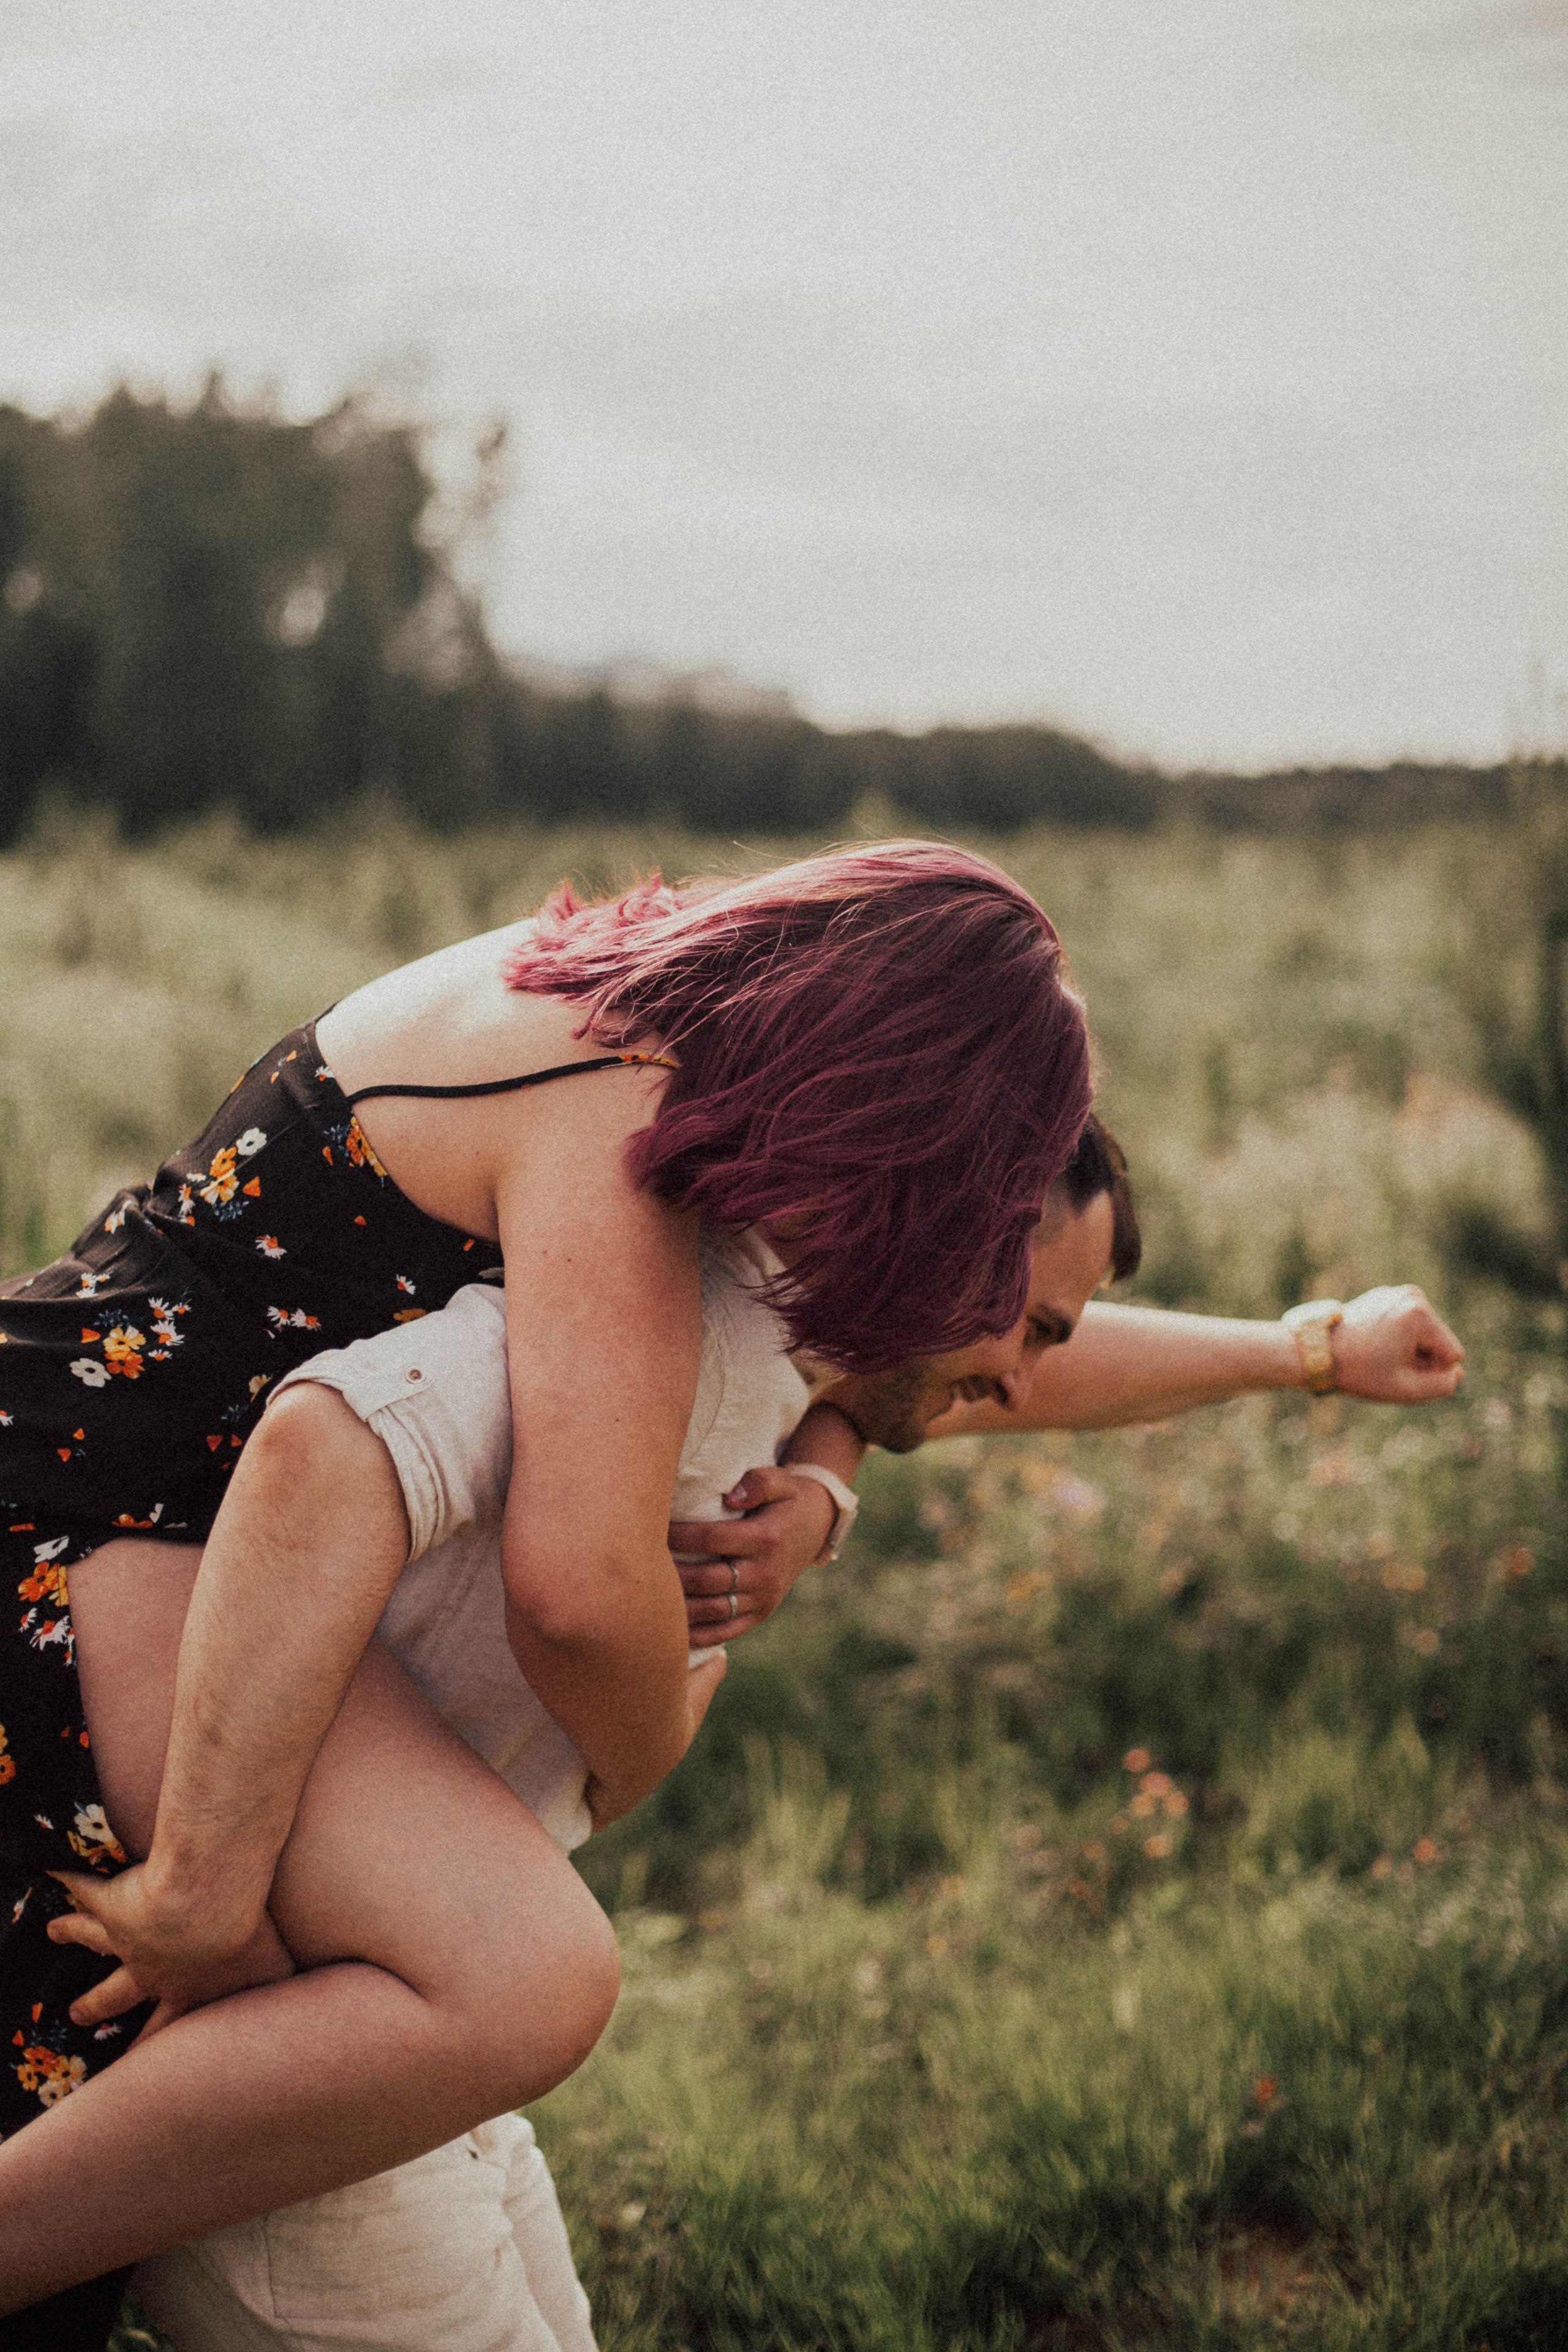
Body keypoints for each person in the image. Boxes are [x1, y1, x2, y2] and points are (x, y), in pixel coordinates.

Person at [118, 1126, 1460, 2351]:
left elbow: (999, 1369)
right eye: (1026, 1322)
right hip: (312, 2014)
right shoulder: (645, 1314)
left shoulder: (783, 1347)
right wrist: (201, 1886)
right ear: (926, 1246)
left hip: (428, 2007)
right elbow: (331, 1447)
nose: (1018, 1377)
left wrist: (1306, 1350)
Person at [0, 842, 1093, 2326]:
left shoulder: (627, 1021)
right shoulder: (620, 1117)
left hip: (169, 1504)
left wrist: (1300, 1351)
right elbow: (575, 1590)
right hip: (85, 1513)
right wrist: (645, 1750)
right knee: (523, 1976)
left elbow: (961, 1347)